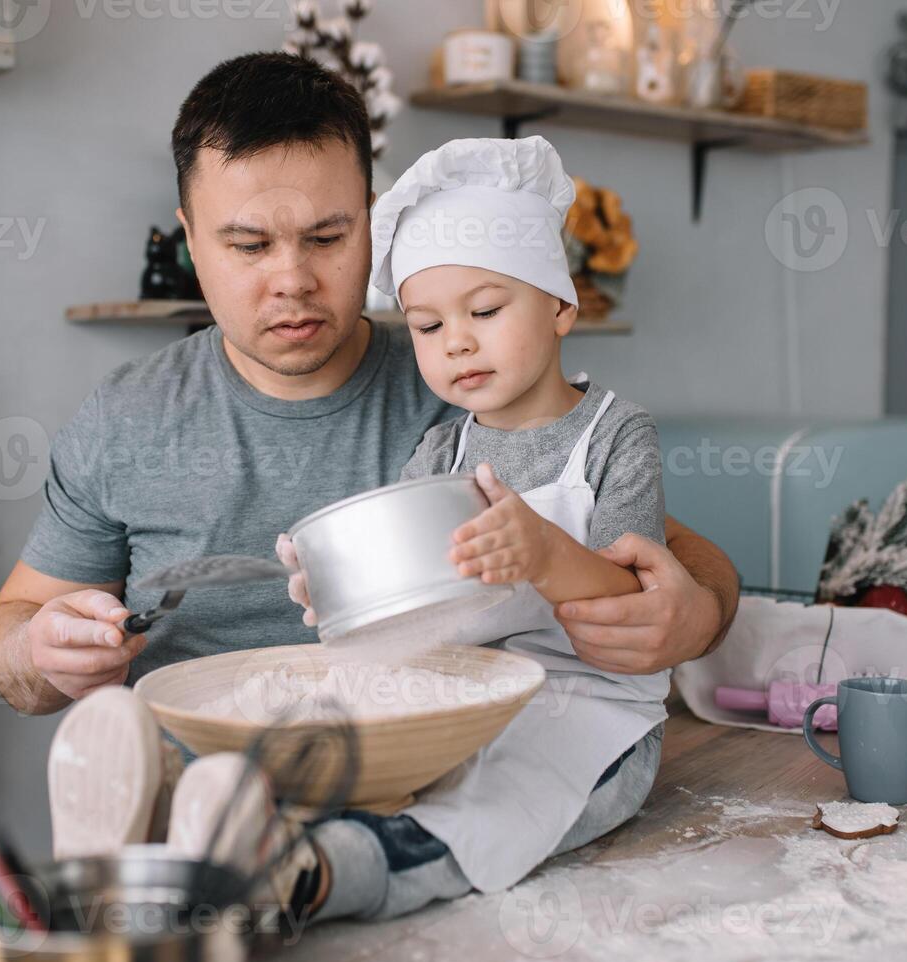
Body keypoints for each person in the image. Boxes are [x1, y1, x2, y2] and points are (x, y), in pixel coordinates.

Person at [0, 52, 739, 723]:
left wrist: (696, 616)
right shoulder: (127, 418)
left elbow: (669, 553)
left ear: (373, 225)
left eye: (327, 238)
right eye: (248, 245)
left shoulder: (468, 374)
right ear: (188, 236)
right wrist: (42, 652)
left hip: (432, 768)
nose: (294, 282)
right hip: (195, 801)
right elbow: (12, 642)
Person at [262, 134, 670, 921]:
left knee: (502, 805)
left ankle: (334, 873)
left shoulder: (617, 436)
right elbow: (414, 599)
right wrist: (343, 587)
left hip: (584, 711)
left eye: (484, 310)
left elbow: (635, 597)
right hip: (466, 699)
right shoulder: (441, 449)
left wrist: (546, 554)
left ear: (560, 306)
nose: (455, 340)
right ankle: (253, 831)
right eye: (424, 325)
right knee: (351, 748)